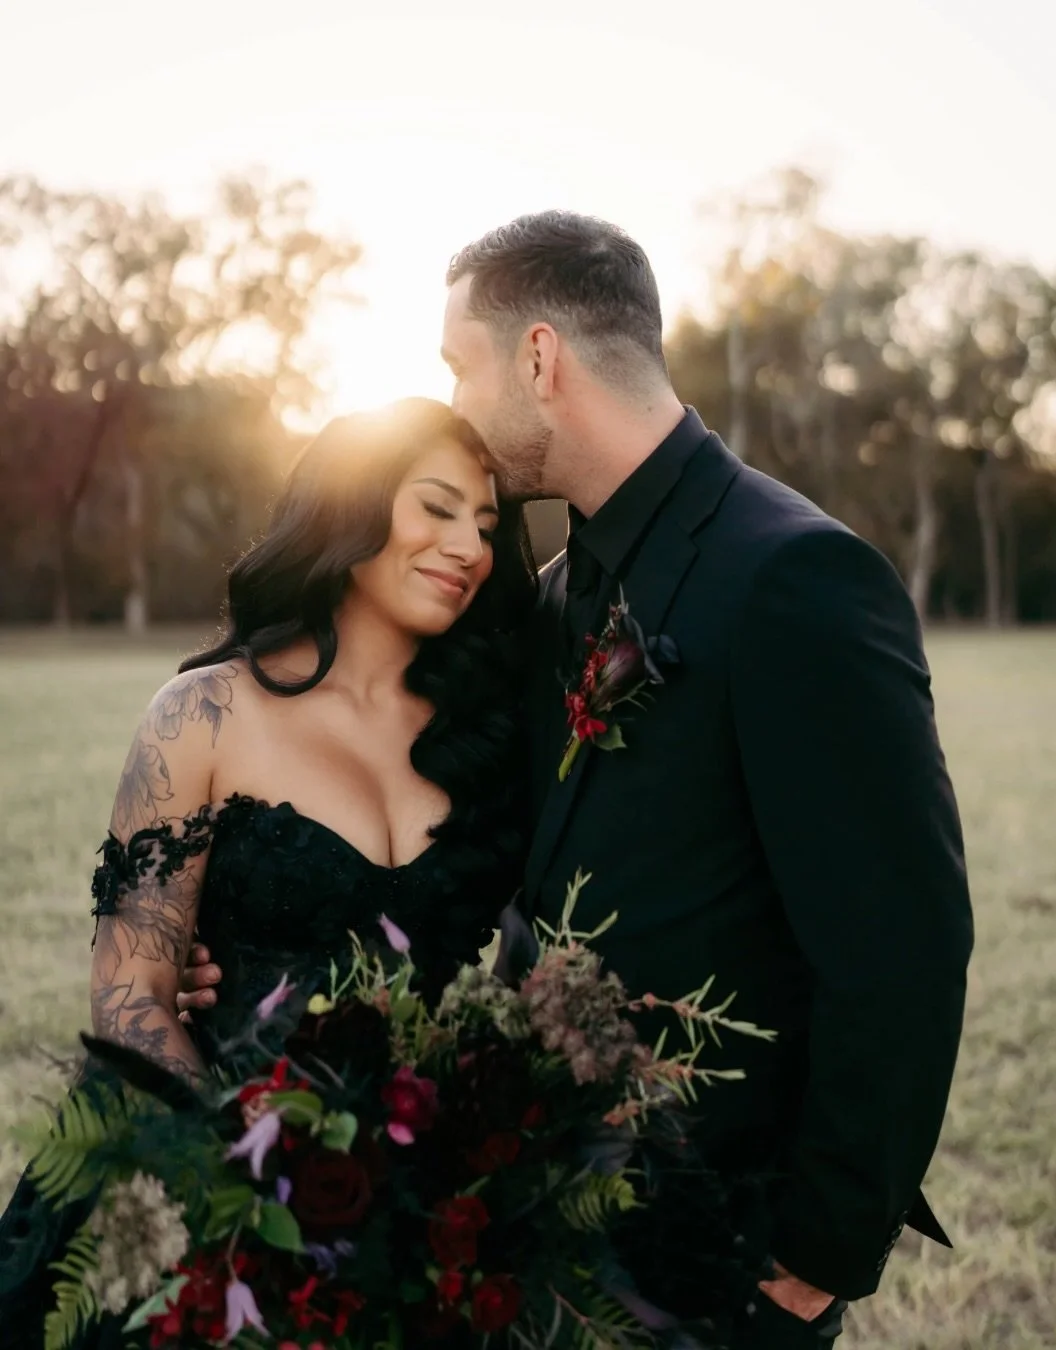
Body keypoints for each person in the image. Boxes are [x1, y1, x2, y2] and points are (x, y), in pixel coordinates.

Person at [182, 212, 974, 1347]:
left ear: (540, 357)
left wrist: (814, 1261)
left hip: (730, 1240)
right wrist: (247, 936)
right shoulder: (555, 591)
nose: (453, 400)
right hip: (551, 1211)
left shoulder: (796, 578)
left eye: (461, 364)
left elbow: (902, 948)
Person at [0, 398, 536, 1348]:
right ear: (353, 505)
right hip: (193, 1189)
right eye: (439, 507)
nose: (470, 547)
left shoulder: (491, 739)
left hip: (410, 1215)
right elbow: (131, 998)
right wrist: (248, 1186)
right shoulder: (202, 714)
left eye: (489, 526)